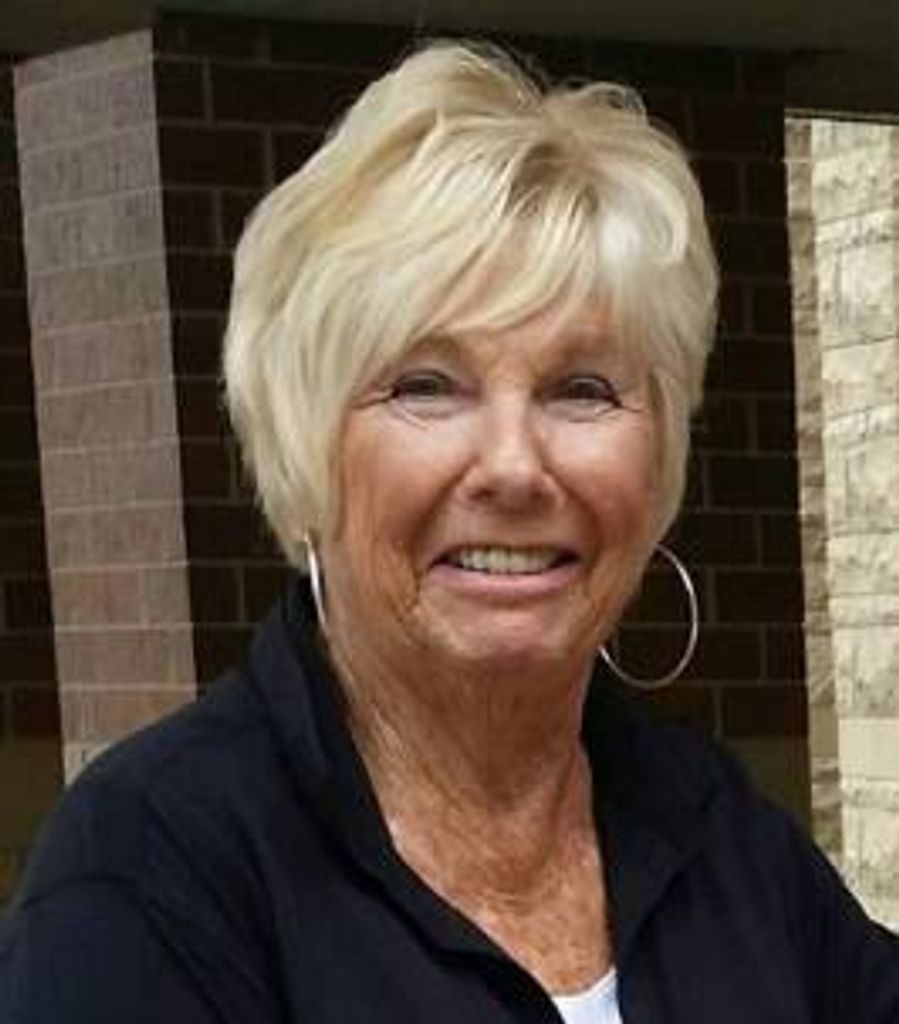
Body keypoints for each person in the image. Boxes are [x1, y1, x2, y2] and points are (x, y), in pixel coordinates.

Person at [1, 40, 896, 1024]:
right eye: (426, 386)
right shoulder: (145, 880)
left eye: (581, 388)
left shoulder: (717, 832)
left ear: (657, 465)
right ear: (306, 443)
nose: (513, 465)